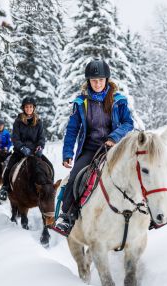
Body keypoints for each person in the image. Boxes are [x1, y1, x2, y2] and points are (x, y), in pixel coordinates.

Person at [53, 59, 134, 236]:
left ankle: (144, 213)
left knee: (136, 174)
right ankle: (67, 216)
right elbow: (72, 129)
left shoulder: (118, 101)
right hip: (90, 149)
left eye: (100, 80)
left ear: (107, 80)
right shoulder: (81, 102)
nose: (97, 83)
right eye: (94, 80)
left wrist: (114, 137)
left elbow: (128, 123)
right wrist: (68, 153)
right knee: (75, 177)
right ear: (88, 81)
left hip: (114, 149)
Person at [0, 97, 54, 202]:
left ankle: (49, 188)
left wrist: (40, 147)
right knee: (9, 167)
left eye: (31, 107)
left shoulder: (39, 122)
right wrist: (22, 147)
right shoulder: (18, 122)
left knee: (50, 165)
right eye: (27, 107)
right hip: (20, 152)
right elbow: (15, 138)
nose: (29, 109)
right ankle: (5, 188)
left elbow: (41, 137)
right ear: (23, 108)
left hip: (35, 152)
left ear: (34, 108)